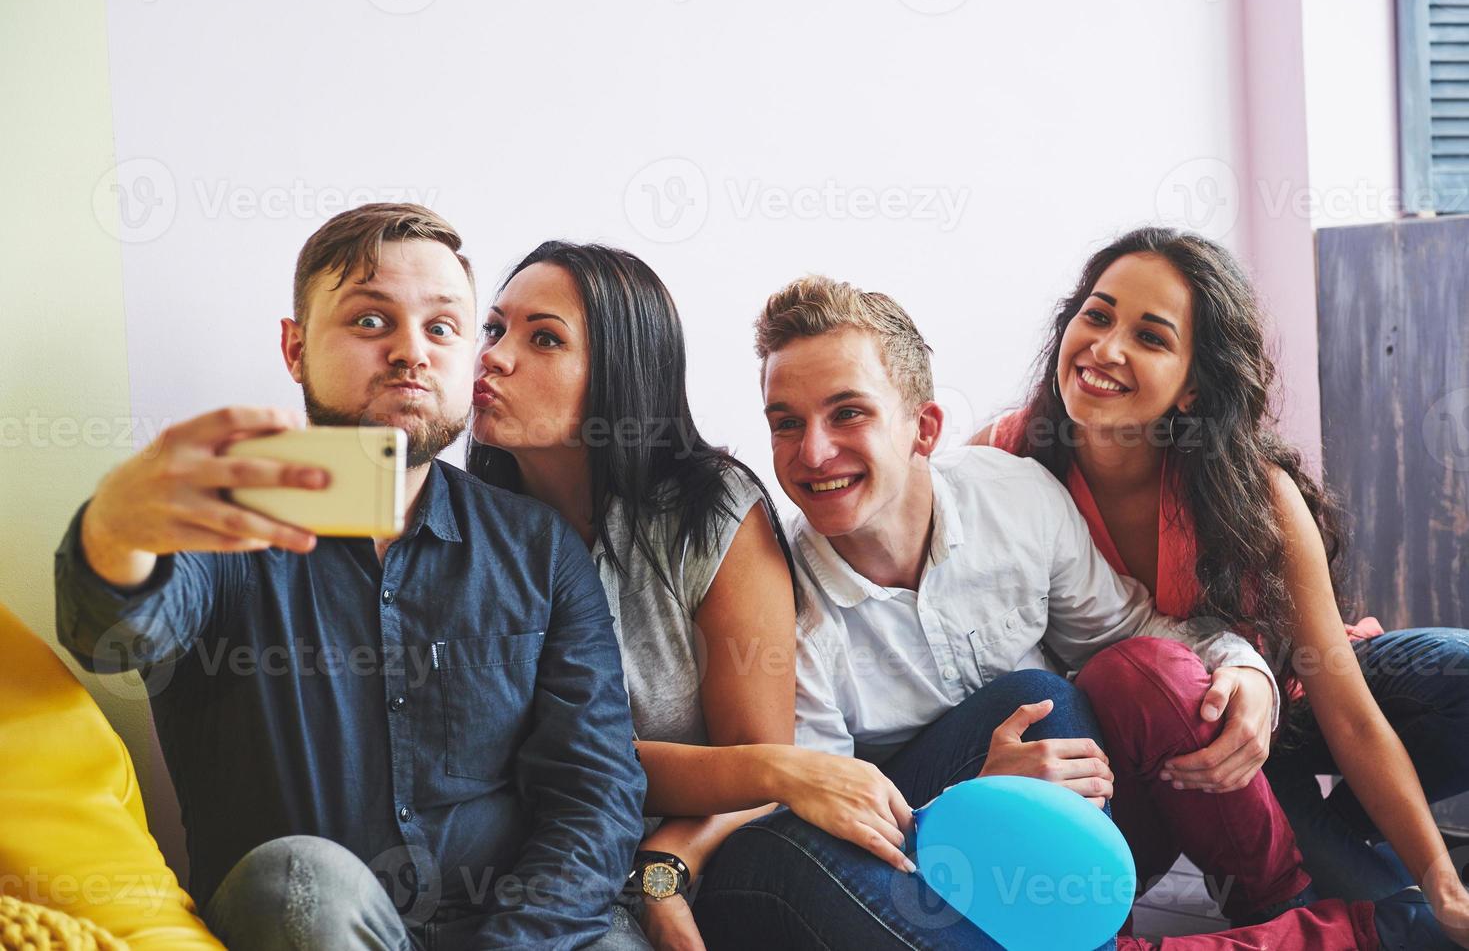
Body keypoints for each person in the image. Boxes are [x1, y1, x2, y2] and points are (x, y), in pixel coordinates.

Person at [692, 273, 1451, 950]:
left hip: (1096, 818)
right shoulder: (782, 597)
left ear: (923, 429)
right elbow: (826, 810)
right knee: (1039, 700)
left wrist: (1241, 667)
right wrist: (964, 805)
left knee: (1095, 686)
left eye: (846, 414)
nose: (811, 452)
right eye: (785, 422)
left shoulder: (1013, 495)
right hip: (925, 843)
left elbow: (1136, 634)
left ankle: (1279, 902)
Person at [54, 204, 647, 950]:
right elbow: (114, 634)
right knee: (300, 877)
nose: (411, 352)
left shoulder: (538, 546)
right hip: (310, 922)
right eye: (371, 322)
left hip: (516, 932)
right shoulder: (223, 520)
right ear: (295, 348)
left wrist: (517, 943)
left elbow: (594, 791)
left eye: (441, 328)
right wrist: (116, 527)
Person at [974, 226, 1469, 945]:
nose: (1105, 349)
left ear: (1193, 385)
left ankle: (1348, 830)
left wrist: (1440, 876)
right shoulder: (999, 464)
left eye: (1149, 336)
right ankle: (1289, 847)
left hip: (1297, 705)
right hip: (1174, 755)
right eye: (1096, 314)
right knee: (1393, 926)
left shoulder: (1253, 491)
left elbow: (1349, 713)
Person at [468, 242, 929, 950]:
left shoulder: (706, 511)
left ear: (618, 375)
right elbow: (539, 767)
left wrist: (660, 877)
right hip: (548, 870)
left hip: (708, 862)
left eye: (544, 339)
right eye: (494, 329)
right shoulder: (466, 533)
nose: (494, 357)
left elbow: (765, 768)